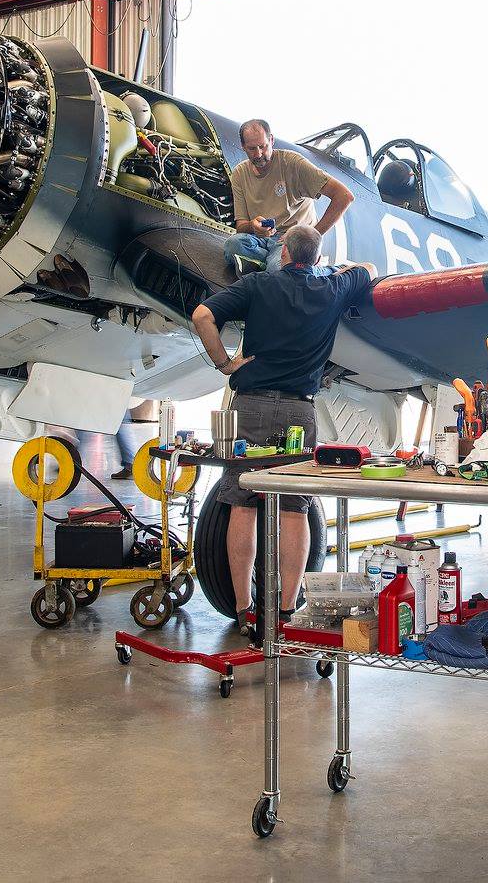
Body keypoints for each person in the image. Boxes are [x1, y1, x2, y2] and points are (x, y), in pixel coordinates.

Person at [190, 225, 376, 636]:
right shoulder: (332, 288)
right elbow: (368, 269)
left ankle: (244, 609)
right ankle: (288, 610)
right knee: (295, 508)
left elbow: (202, 315)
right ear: (316, 257)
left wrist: (224, 363)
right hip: (298, 411)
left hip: (250, 406)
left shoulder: (258, 283)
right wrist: (342, 270)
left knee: (242, 501)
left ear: (285, 252)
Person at [225, 119, 355, 271]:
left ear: (271, 140)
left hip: (294, 240)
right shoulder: (239, 174)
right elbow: (241, 227)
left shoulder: (293, 163)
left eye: (263, 146)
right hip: (261, 239)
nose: (259, 154)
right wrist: (253, 226)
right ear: (243, 147)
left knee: (276, 269)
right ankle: (278, 266)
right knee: (231, 246)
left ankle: (312, 270)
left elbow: (345, 196)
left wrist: (313, 235)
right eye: (252, 148)